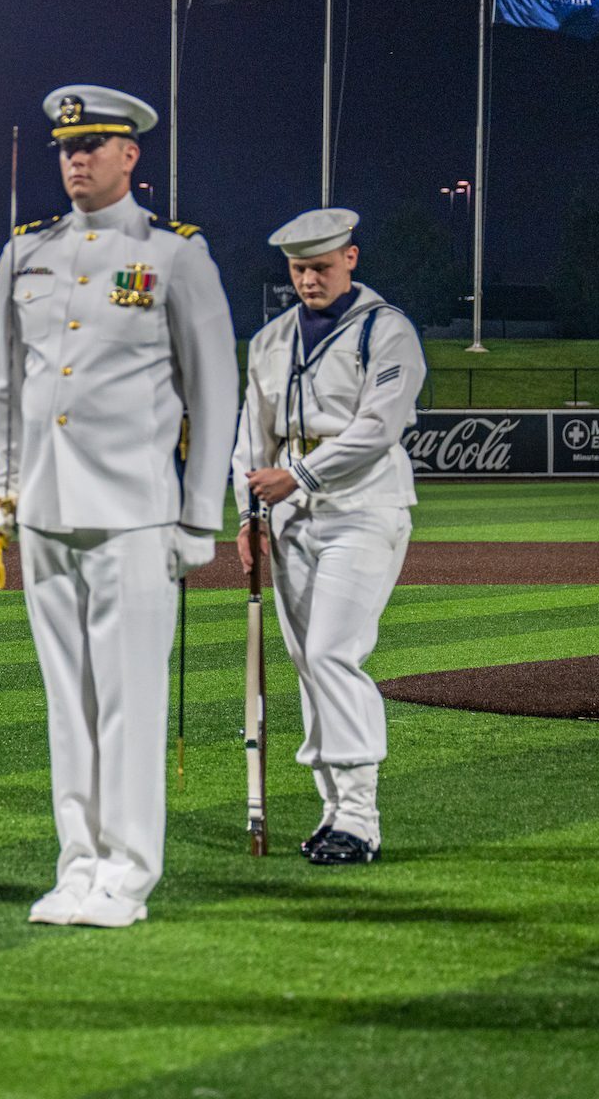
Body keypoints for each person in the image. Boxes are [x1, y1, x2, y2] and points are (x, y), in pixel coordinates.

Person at [0, 85, 237, 928]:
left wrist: (202, 514)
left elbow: (215, 389)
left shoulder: (175, 256)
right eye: (67, 147)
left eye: (94, 144)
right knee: (70, 703)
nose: (76, 159)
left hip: (135, 508)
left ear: (132, 155)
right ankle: (77, 864)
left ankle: (127, 874)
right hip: (47, 505)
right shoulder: (24, 253)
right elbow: (10, 386)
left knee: (129, 700)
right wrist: (4, 484)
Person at [230, 208, 426, 866]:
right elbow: (248, 438)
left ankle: (360, 818)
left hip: (363, 506)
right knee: (310, 663)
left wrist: (298, 475)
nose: (309, 278)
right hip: (287, 513)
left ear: (351, 258)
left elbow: (378, 429)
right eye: (298, 268)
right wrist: (247, 516)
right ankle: (333, 813)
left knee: (334, 652)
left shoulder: (387, 331)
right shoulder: (271, 339)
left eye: (320, 265)